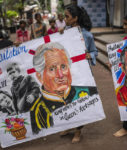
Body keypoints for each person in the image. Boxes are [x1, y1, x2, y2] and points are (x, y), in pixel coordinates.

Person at [30, 42, 98, 134]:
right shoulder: (37, 111)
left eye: (63, 66)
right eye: (52, 69)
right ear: (39, 77)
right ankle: (67, 127)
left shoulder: (90, 92)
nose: (60, 75)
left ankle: (78, 132)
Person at [59, 5, 98, 143]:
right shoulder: (63, 33)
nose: (64, 19)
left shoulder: (87, 35)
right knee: (66, 102)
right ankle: (69, 126)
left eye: (67, 16)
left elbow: (94, 52)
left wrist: (90, 55)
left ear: (75, 18)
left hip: (81, 74)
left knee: (78, 101)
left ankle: (78, 131)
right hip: (66, 74)